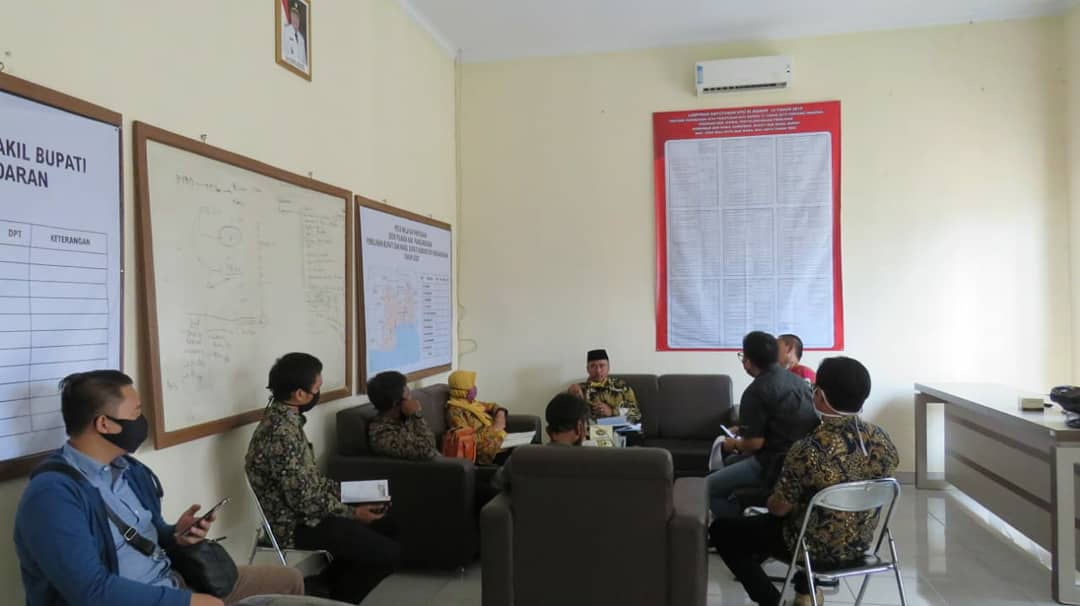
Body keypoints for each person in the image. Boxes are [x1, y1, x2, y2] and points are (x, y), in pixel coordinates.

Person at [14, 370, 304, 606]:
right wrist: (187, 602)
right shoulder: (53, 497)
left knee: (289, 581)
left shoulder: (128, 470)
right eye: (136, 413)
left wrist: (177, 535)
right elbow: (90, 592)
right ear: (104, 424)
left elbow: (150, 534)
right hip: (139, 598)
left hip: (173, 580)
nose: (142, 422)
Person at [711, 356, 899, 606]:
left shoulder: (808, 448)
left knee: (723, 530)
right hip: (859, 543)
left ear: (820, 395)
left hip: (809, 547)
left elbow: (779, 508)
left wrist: (770, 499)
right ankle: (805, 592)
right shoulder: (881, 440)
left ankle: (772, 601)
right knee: (803, 515)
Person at [246, 353, 399, 604]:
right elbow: (304, 502)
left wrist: (353, 494)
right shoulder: (280, 435)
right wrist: (353, 513)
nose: (319, 393)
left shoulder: (287, 421)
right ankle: (334, 598)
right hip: (294, 524)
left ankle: (323, 588)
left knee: (388, 523)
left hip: (310, 512)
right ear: (299, 394)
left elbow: (311, 483)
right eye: (316, 388)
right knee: (387, 554)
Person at [705, 331, 818, 518]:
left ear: (748, 362)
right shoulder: (798, 381)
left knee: (705, 488)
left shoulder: (755, 391)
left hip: (773, 464)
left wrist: (733, 444)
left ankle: (735, 525)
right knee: (730, 462)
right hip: (803, 460)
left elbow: (754, 444)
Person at [492, 393, 590, 492]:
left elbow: (497, 483)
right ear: (579, 427)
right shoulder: (592, 462)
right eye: (586, 425)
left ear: (548, 430)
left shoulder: (520, 457)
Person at [367, 370, 439, 460]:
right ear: (395, 402)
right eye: (408, 395)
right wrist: (416, 415)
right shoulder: (383, 435)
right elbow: (429, 450)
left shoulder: (402, 418)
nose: (411, 398)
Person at [445, 370, 509, 465]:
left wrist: (500, 415)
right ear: (461, 390)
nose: (474, 388)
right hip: (485, 452)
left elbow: (492, 406)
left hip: (498, 440)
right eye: (471, 386)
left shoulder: (471, 403)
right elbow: (469, 440)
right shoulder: (455, 412)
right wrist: (494, 429)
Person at [567, 349, 642, 424]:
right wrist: (573, 397)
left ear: (608, 367)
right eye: (593, 366)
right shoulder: (580, 389)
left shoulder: (621, 386)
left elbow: (636, 413)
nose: (598, 370)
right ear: (587, 369)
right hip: (591, 430)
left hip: (618, 429)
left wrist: (612, 411)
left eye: (602, 365)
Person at [281, 0, 308, 70]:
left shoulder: (302, 39)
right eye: (293, 16)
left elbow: (304, 63)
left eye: (297, 17)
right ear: (290, 17)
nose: (295, 19)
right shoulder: (285, 31)